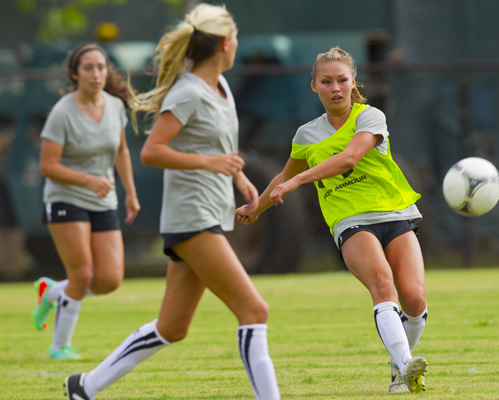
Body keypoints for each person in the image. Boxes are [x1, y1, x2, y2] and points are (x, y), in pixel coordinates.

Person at [63, 4, 281, 400]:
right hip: (192, 217)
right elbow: (152, 150)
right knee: (255, 311)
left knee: (172, 327)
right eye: (235, 38)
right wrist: (210, 163)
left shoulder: (222, 86)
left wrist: (238, 175)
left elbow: (217, 145)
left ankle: (85, 386)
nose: (237, 44)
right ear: (226, 43)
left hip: (211, 212)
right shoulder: (188, 90)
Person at [236, 47, 429, 394]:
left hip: (396, 213)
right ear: (314, 87)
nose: (335, 88)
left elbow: (350, 157)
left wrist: (297, 181)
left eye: (342, 80)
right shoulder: (306, 134)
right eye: (327, 81)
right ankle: (406, 366)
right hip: (351, 221)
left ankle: (400, 366)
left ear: (353, 82)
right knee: (383, 284)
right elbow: (282, 176)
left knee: (414, 299)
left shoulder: (370, 116)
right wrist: (256, 208)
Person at [33, 42, 140, 360]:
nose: (96, 74)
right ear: (75, 73)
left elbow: (121, 151)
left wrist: (130, 192)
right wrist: (89, 180)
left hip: (103, 200)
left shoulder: (114, 106)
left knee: (109, 280)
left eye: (102, 67)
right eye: (89, 68)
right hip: (65, 198)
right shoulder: (62, 112)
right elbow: (48, 166)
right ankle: (59, 347)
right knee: (81, 274)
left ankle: (52, 292)